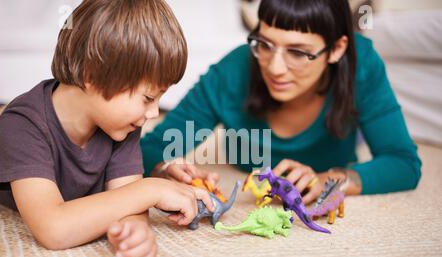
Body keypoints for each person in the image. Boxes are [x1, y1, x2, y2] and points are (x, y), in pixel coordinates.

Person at [0, 0, 214, 257]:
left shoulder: (120, 126)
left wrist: (134, 231)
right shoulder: (23, 125)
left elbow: (126, 199)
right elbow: (53, 228)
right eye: (148, 97)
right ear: (92, 75)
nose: (154, 112)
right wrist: (151, 188)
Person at [141, 0, 421, 204]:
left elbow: (403, 163)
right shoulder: (232, 71)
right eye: (265, 44)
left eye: (298, 52)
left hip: (338, 147)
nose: (274, 68)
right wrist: (164, 168)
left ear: (337, 49)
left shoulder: (362, 63)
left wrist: (330, 178)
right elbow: (151, 148)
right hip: (243, 165)